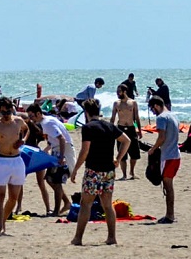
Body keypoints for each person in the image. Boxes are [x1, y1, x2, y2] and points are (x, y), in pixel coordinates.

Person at [70, 98, 130, 246]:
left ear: (86, 112)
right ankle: (112, 237)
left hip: (93, 170)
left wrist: (75, 169)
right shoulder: (109, 126)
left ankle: (78, 238)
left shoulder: (88, 128)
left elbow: (85, 151)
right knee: (107, 205)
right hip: (108, 171)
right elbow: (127, 140)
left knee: (86, 204)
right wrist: (118, 158)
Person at [0, 97, 28, 237]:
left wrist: (22, 141)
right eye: (3, 112)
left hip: (16, 160)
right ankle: (0, 228)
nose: (6, 115)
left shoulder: (18, 121)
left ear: (12, 109)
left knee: (13, 197)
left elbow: (28, 129)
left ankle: (3, 220)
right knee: (0, 195)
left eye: (8, 112)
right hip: (1, 161)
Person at [26, 102, 73, 217]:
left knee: (56, 181)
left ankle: (57, 211)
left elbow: (62, 139)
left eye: (32, 116)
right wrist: (47, 149)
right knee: (50, 179)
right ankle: (66, 202)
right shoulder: (47, 120)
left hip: (63, 151)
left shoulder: (47, 123)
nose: (31, 120)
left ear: (38, 113)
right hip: (57, 150)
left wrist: (61, 157)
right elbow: (54, 140)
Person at [147, 95, 180, 224]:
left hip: (168, 156)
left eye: (152, 109)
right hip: (176, 155)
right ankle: (170, 214)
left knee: (168, 186)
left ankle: (170, 215)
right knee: (169, 186)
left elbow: (161, 137)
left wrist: (153, 149)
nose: (153, 112)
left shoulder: (161, 118)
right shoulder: (173, 115)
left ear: (156, 105)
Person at [110, 83, 142, 180]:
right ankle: (124, 175)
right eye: (117, 92)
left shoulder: (133, 103)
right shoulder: (116, 104)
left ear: (124, 91)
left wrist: (138, 129)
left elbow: (136, 119)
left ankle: (132, 172)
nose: (117, 93)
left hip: (132, 128)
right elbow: (113, 118)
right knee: (121, 152)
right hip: (121, 128)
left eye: (119, 91)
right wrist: (111, 130)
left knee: (135, 153)